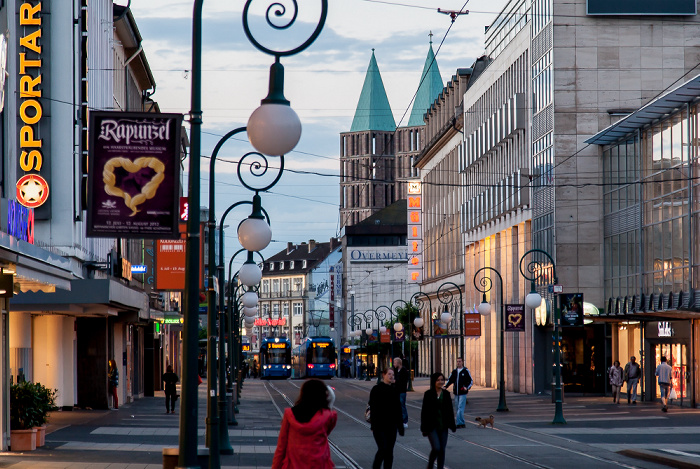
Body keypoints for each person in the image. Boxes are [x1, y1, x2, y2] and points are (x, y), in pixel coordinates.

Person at [272, 379, 337, 469]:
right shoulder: (329, 416)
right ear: (323, 395)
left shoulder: (289, 415)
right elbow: (327, 431)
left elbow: (281, 447)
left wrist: (276, 467)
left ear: (303, 394)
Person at [369, 367, 404, 469]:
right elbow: (373, 407)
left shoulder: (394, 389)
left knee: (389, 451)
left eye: (392, 375)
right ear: (383, 375)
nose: (391, 376)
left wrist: (400, 426)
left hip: (391, 426)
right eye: (389, 374)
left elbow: (398, 409)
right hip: (379, 425)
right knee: (382, 449)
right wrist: (373, 425)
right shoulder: (376, 389)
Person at [421, 372, 456, 469]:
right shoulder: (428, 394)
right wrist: (424, 428)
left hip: (443, 426)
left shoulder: (446, 394)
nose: (440, 382)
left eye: (442, 380)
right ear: (434, 381)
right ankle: (430, 465)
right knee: (436, 447)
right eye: (438, 380)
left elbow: (450, 411)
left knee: (442, 450)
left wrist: (452, 425)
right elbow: (424, 411)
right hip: (432, 426)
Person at [444, 357, 472, 428]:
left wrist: (466, 387)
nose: (458, 363)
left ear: (462, 362)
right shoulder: (454, 371)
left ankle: (459, 423)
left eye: (459, 361)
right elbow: (450, 380)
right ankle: (462, 423)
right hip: (456, 393)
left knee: (460, 408)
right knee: (457, 408)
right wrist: (445, 386)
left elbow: (470, 381)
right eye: (457, 361)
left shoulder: (466, 371)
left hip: (463, 393)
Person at [392, 357, 409, 428]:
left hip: (401, 391)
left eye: (395, 363)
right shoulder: (395, 371)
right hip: (396, 391)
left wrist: (396, 381)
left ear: (398, 363)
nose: (394, 364)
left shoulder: (403, 371)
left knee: (402, 405)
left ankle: (404, 421)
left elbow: (404, 381)